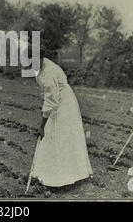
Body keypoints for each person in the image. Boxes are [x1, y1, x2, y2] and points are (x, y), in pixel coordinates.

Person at [31, 52, 93, 188]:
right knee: (55, 136)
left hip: (64, 104)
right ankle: (50, 174)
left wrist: (42, 124)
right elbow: (46, 93)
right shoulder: (40, 66)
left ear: (40, 58)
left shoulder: (50, 72)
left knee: (61, 137)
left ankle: (63, 178)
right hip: (56, 100)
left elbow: (52, 100)